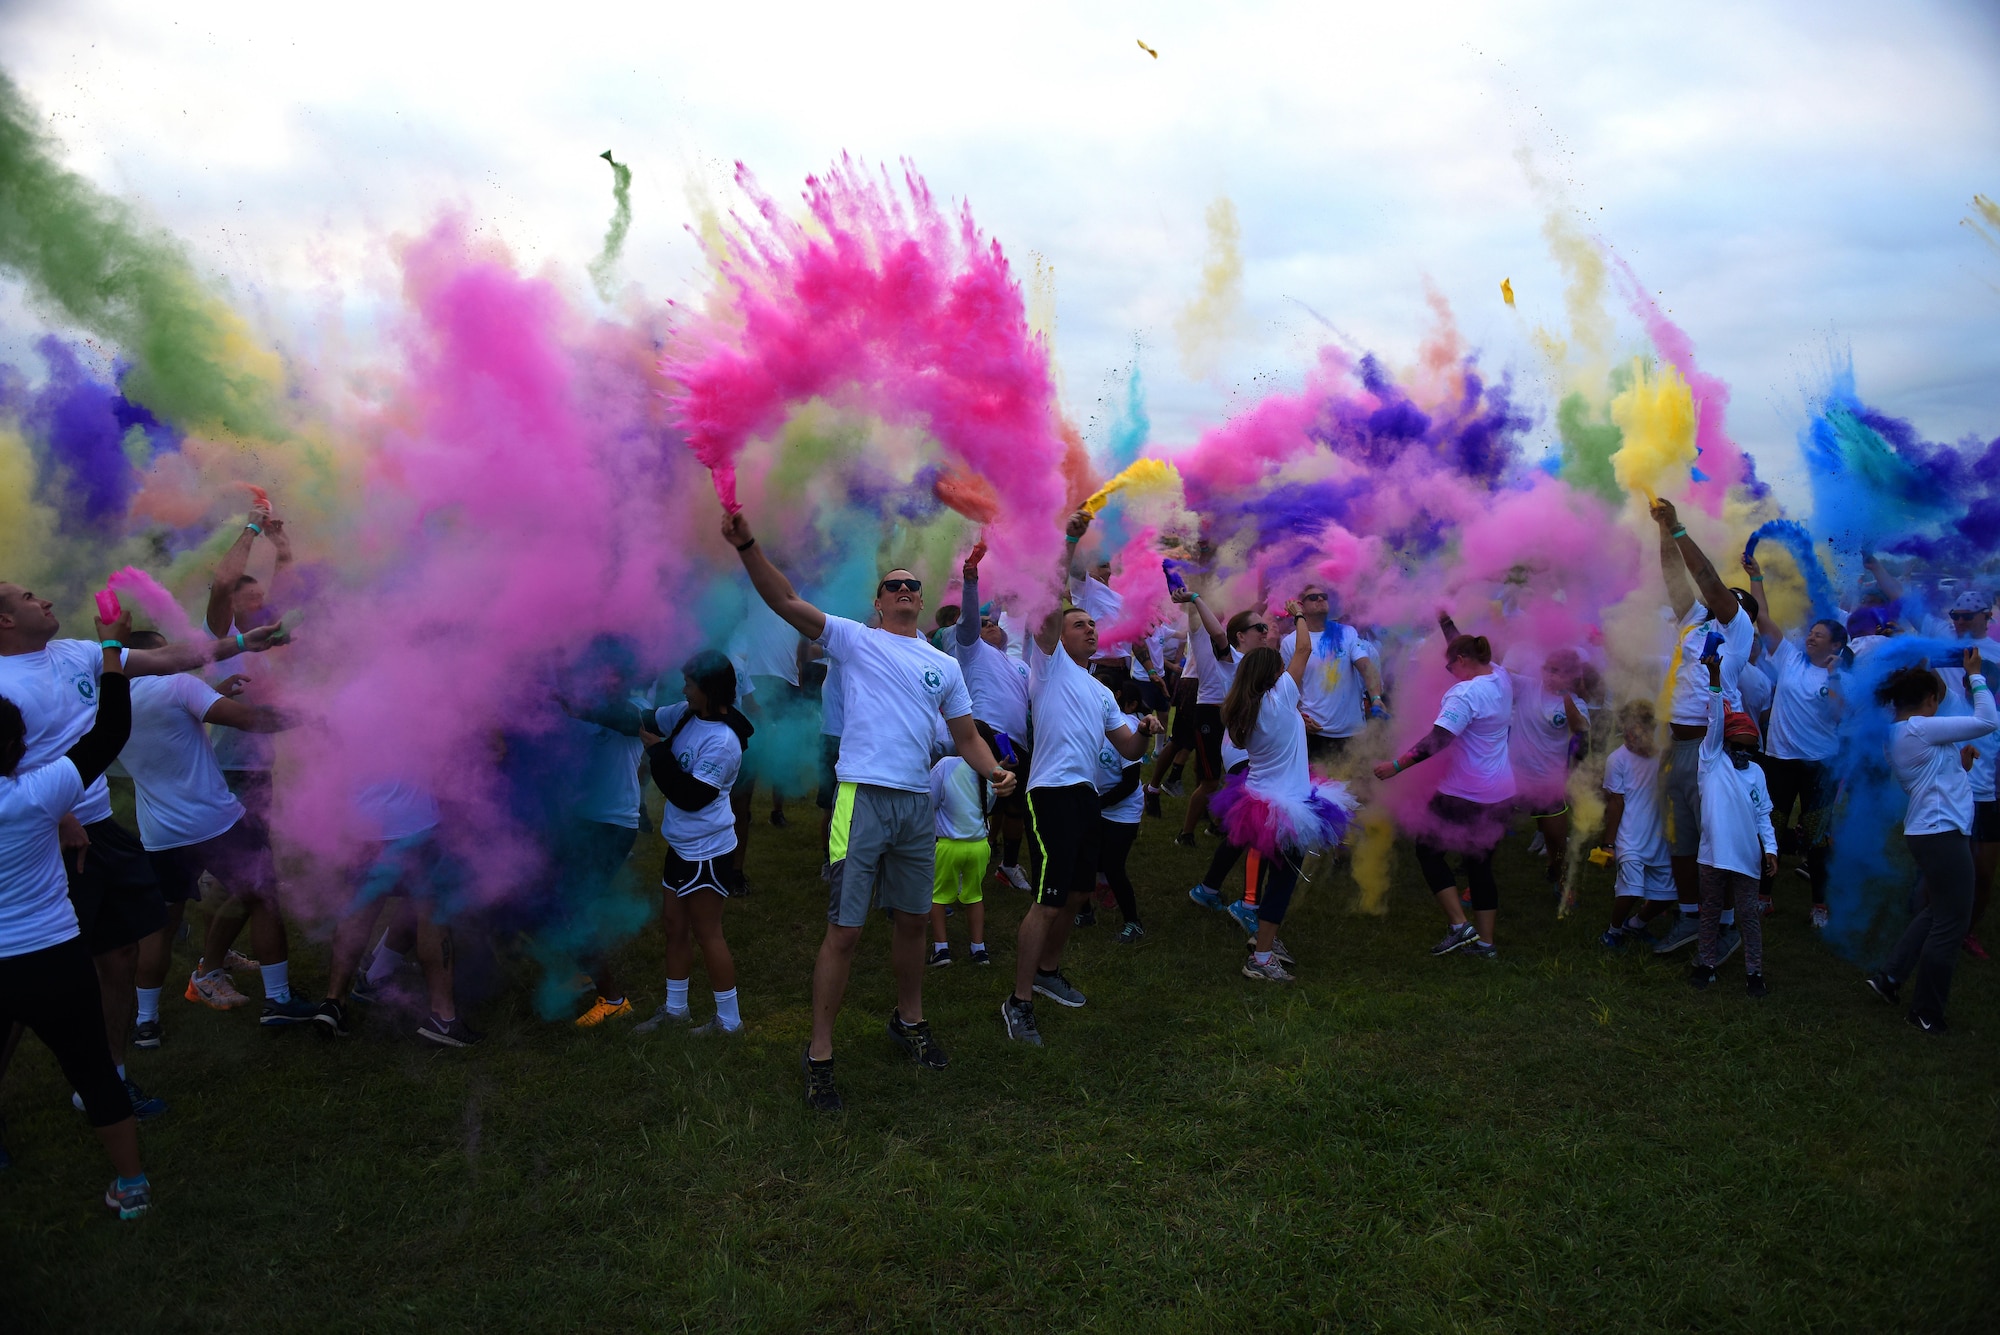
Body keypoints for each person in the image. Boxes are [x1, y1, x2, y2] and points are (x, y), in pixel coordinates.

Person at [721, 509, 1014, 1113]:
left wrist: (994, 771)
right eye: (894, 585)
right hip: (861, 798)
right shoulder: (855, 639)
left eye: (913, 585)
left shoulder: (945, 665)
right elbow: (785, 600)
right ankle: (820, 1053)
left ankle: (909, 1020)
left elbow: (965, 737)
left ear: (921, 601)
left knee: (912, 922)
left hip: (915, 805)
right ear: (878, 602)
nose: (905, 590)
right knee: (846, 931)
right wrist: (748, 543)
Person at [0, 581, 281, 1121]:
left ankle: (109, 1081)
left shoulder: (77, 654)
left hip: (99, 828)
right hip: (49, 835)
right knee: (29, 980)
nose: (48, 600)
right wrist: (59, 814)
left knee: (119, 956)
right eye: (30, 597)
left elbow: (171, 657)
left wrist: (245, 641)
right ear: (5, 622)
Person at [0, 607, 153, 1217]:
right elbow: (108, 733)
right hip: (52, 956)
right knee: (92, 1068)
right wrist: (111, 650)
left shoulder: (38, 798)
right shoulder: (39, 796)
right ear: (17, 750)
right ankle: (132, 1187)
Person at [1000, 523, 1159, 1046]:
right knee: (1048, 898)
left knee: (1077, 894)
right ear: (1056, 634)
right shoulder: (1046, 666)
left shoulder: (1100, 691)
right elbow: (1051, 597)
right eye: (1078, 624)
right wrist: (1066, 543)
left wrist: (1147, 733)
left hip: (1087, 798)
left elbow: (1129, 750)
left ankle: (1047, 973)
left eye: (1093, 624)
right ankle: (1017, 1002)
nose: (1089, 629)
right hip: (1051, 795)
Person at [115, 630, 311, 1036]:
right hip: (216, 823)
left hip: (160, 834)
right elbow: (251, 720)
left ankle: (145, 1022)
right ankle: (278, 1000)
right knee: (263, 897)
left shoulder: (111, 704)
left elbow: (167, 724)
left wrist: (213, 693)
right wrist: (306, 715)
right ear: (161, 654)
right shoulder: (178, 685)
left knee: (162, 926)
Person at [1210, 605, 1357, 981]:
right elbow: (1304, 651)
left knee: (1276, 873)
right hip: (1287, 805)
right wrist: (1299, 617)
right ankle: (1261, 958)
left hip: (1259, 798)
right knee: (1282, 880)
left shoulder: (1244, 708)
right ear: (1273, 676)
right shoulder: (1281, 697)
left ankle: (1264, 937)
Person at [1647, 499, 1758, 958]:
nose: (1717, 602)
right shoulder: (1694, 621)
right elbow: (1676, 579)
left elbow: (1708, 578)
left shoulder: (1738, 629)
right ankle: (1691, 917)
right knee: (1684, 839)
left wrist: (1679, 529)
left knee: (1719, 842)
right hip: (1680, 747)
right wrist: (1661, 531)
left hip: (1715, 752)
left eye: (1728, 601)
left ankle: (1727, 926)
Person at [1866, 651, 1997, 1033]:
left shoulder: (1902, 732)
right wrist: (1974, 676)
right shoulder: (1918, 729)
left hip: (1931, 831)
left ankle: (1890, 977)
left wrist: (1962, 765)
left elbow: (1933, 777)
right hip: (1941, 835)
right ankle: (1925, 1013)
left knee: (1937, 911)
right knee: (1951, 923)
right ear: (1930, 701)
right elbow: (1987, 721)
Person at [1373, 629, 1515, 960]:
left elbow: (1437, 740)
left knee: (1427, 850)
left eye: (1450, 666)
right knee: (1479, 864)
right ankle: (1486, 945)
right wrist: (1446, 621)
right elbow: (1466, 644)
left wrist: (1396, 766)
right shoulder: (1500, 675)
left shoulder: (1463, 694)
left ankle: (1459, 926)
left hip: (1464, 793)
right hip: (1501, 792)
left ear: (1462, 662)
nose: (1449, 672)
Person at [633, 651, 752, 1036]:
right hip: (681, 844)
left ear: (709, 688)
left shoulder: (723, 742)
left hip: (707, 850)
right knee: (673, 926)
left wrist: (656, 752)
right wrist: (589, 707)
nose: (683, 690)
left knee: (707, 933)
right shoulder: (689, 715)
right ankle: (675, 1009)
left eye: (689, 684)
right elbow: (645, 719)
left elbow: (691, 796)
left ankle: (729, 1022)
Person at [310, 781, 477, 1047]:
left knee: (361, 910)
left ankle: (333, 1002)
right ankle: (443, 1018)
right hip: (414, 823)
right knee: (431, 912)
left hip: (363, 824)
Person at [1741, 553, 1846, 928]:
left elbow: (1838, 716)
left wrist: (1834, 679)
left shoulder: (1839, 679)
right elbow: (1763, 618)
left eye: (1819, 633)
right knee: (1772, 828)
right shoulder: (1790, 658)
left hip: (1819, 765)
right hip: (1780, 760)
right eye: (1811, 630)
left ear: (1833, 646)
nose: (1811, 634)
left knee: (1816, 838)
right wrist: (1757, 577)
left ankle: (1820, 904)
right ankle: (1763, 897)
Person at [1687, 646, 1779, 994]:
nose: (1743, 755)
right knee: (1709, 911)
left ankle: (1754, 973)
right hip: (1712, 856)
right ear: (1725, 743)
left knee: (1749, 916)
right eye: (1737, 746)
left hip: (1746, 859)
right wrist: (1714, 679)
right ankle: (1705, 964)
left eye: (1749, 749)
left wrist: (1770, 848)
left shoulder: (1756, 773)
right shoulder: (1711, 761)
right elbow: (1715, 717)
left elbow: (1763, 814)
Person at [202, 498, 295, 821]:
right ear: (231, 603)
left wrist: (280, 546)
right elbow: (224, 582)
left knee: (255, 845)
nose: (260, 603)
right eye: (251, 598)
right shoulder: (220, 634)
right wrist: (252, 528)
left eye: (260, 597)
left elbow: (284, 592)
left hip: (258, 764)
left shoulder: (261, 637)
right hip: (229, 766)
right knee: (231, 848)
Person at [953, 550, 1034, 890]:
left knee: (1017, 809)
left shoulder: (1019, 664)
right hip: (986, 733)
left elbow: (1030, 629)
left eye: (994, 623)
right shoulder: (971, 652)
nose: (992, 626)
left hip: (1018, 741)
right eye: (986, 624)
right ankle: (955, 868)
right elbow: (970, 621)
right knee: (974, 803)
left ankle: (1009, 865)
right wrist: (972, 584)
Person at [1174, 581, 1270, 847]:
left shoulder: (1242, 652)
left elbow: (1246, 620)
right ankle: (1186, 833)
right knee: (1210, 780)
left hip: (1233, 715)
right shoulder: (1202, 632)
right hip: (1209, 711)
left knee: (1234, 776)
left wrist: (1263, 595)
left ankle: (1218, 826)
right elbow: (1212, 627)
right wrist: (1192, 598)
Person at [1934, 590, 1999, 959]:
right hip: (1952, 789)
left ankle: (1967, 931)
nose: (1957, 622)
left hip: (1987, 795)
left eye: (1965, 616)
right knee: (1943, 870)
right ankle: (1929, 923)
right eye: (1954, 615)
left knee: (1985, 873)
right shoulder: (1952, 701)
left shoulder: (1993, 711)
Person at [1277, 584, 1387, 771]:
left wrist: (1376, 698)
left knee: (1357, 793)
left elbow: (1366, 667)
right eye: (1313, 597)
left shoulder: (1346, 632)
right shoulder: (1290, 642)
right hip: (1315, 733)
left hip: (1353, 733)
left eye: (1324, 596)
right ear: (1300, 606)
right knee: (1321, 794)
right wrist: (1298, 717)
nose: (1320, 599)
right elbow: (1287, 687)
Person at [1598, 701, 1675, 948]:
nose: (1630, 736)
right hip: (1629, 837)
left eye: (1637, 730)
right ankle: (1613, 931)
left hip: (1658, 836)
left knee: (1668, 895)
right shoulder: (1617, 760)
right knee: (1630, 891)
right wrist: (1609, 844)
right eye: (1626, 730)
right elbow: (1615, 803)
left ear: (1650, 728)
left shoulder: (1662, 756)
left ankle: (1637, 925)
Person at [927, 724, 999, 967]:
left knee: (937, 897)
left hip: (948, 846)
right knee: (974, 896)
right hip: (979, 846)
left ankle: (941, 949)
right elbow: (988, 807)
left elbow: (929, 802)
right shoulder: (993, 774)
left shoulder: (946, 765)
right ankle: (979, 949)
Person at [1091, 676, 1149, 943]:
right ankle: (1083, 912)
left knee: (1114, 867)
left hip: (1123, 809)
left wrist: (1097, 805)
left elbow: (1130, 783)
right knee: (1084, 859)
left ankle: (1133, 924)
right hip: (1097, 803)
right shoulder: (1088, 724)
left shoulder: (1125, 729)